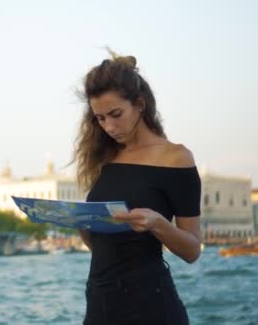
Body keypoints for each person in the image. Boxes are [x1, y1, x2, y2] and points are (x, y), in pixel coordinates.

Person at [74, 50, 202, 324]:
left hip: (149, 305)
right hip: (99, 304)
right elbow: (101, 247)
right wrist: (83, 224)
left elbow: (192, 251)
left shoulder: (176, 157)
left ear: (140, 104)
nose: (109, 126)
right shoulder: (106, 158)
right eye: (100, 118)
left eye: (115, 114)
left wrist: (158, 224)